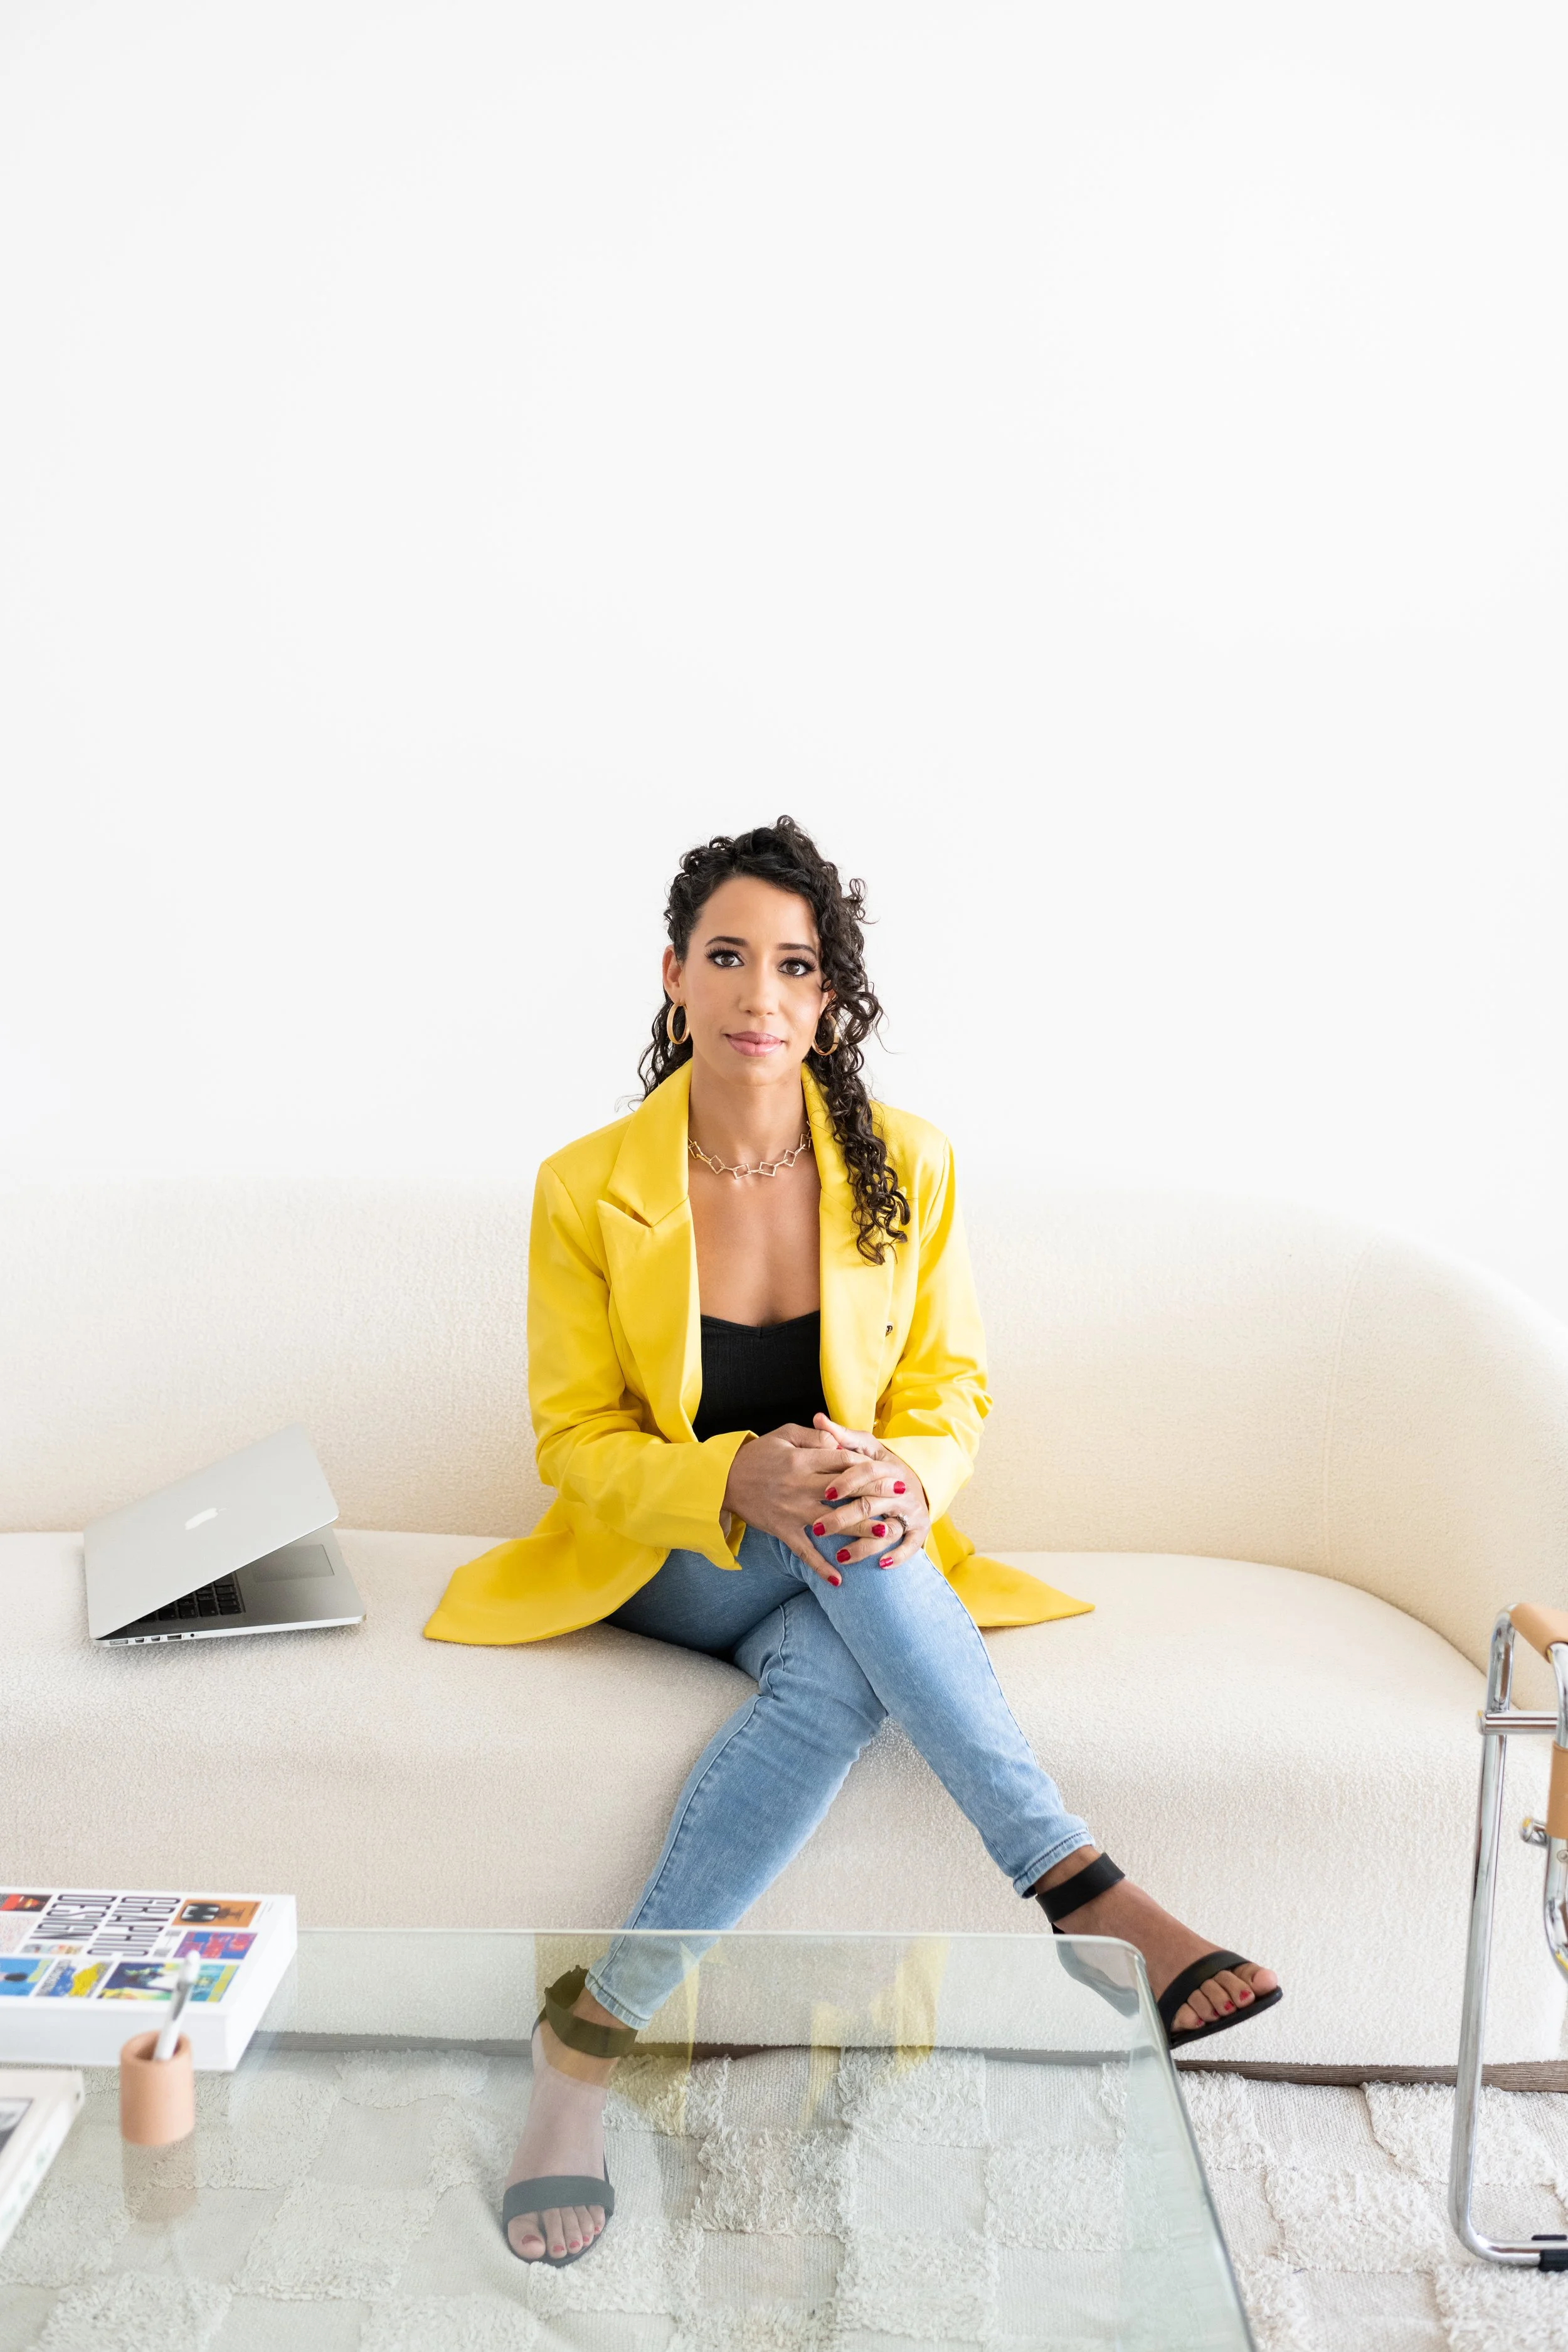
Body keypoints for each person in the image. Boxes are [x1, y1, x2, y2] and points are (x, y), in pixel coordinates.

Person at [423, 817, 1281, 2268]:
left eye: (795, 966)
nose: (761, 994)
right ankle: (1077, 1883)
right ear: (674, 977)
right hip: (663, 1563)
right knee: (835, 1519)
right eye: (729, 958)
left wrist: (905, 1475)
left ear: (827, 999)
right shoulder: (586, 1188)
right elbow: (571, 1442)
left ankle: (583, 2044)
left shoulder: (907, 1165)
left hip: (846, 1557)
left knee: (833, 1655)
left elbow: (952, 1391)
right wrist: (730, 1478)